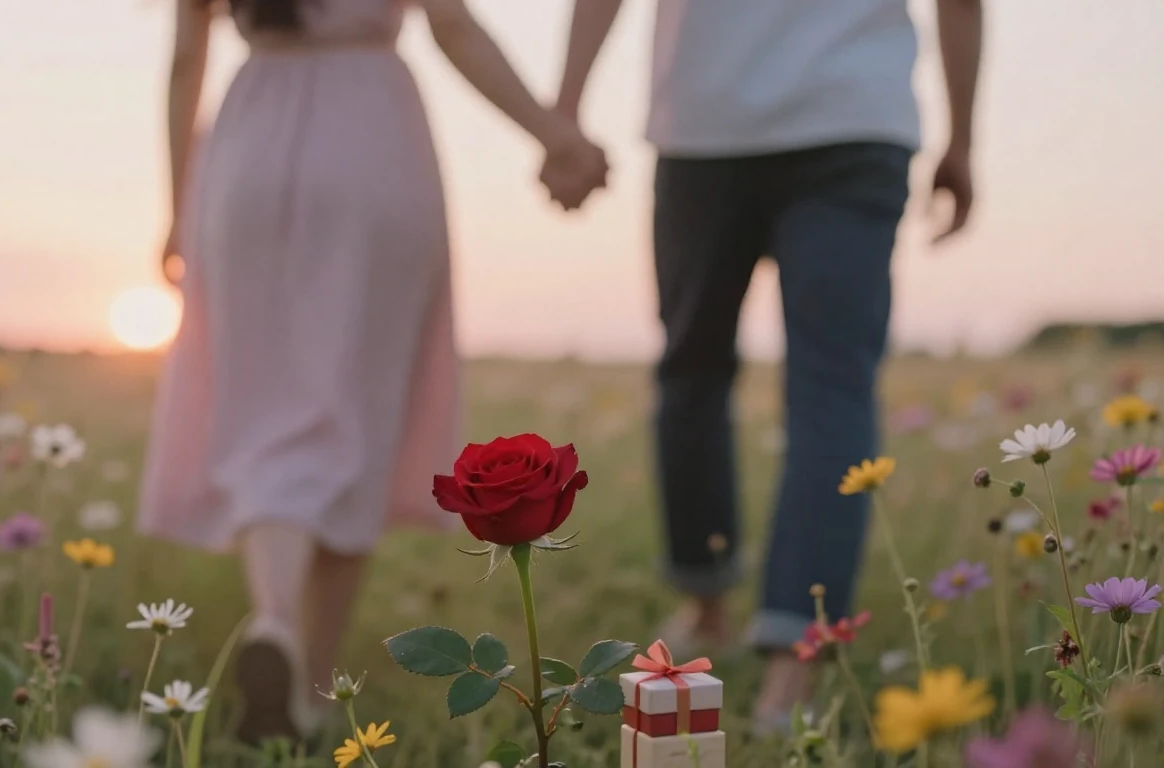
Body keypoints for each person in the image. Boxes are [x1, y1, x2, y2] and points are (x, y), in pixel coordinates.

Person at [139, 0, 608, 743]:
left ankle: (277, 623)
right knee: (359, 411)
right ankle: (315, 692)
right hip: (372, 144)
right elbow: (452, 25)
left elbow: (184, 62)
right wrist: (556, 134)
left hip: (247, 153)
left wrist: (175, 210)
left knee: (262, 412)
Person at [553, 0, 982, 726]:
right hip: (850, 112)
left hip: (710, 117)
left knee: (693, 369)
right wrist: (963, 140)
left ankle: (711, 607)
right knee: (832, 388)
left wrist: (564, 110)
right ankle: (791, 667)